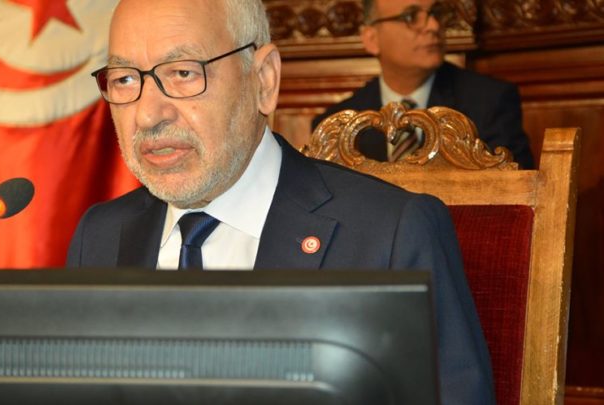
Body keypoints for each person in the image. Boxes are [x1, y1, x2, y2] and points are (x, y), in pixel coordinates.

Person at [67, 0, 495, 403]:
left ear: (264, 80)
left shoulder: (390, 234)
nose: (148, 114)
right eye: (124, 80)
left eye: (183, 73)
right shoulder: (99, 236)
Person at [312, 0, 535, 169]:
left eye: (435, 13)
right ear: (372, 39)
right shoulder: (337, 123)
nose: (433, 26)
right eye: (411, 17)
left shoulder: (489, 102)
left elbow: (513, 197)